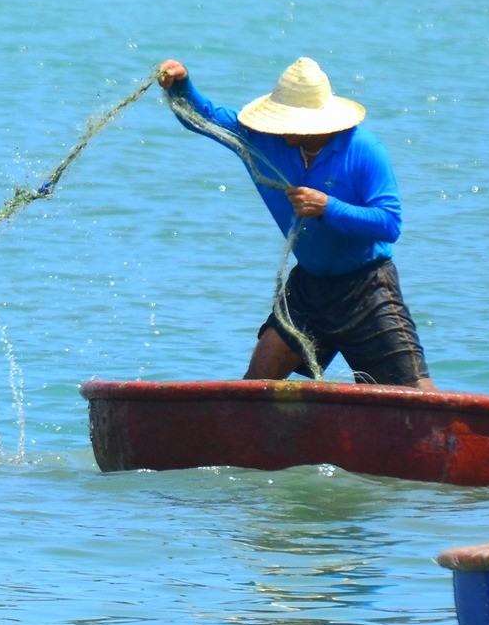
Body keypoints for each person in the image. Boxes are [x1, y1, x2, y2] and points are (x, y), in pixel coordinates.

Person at [157, 57, 434, 390]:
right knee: (256, 383)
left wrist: (327, 207)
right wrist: (182, 85)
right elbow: (205, 118)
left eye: (287, 121)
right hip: (309, 288)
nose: (278, 128)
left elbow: (390, 223)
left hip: (367, 288)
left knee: (413, 393)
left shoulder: (364, 149)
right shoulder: (261, 141)